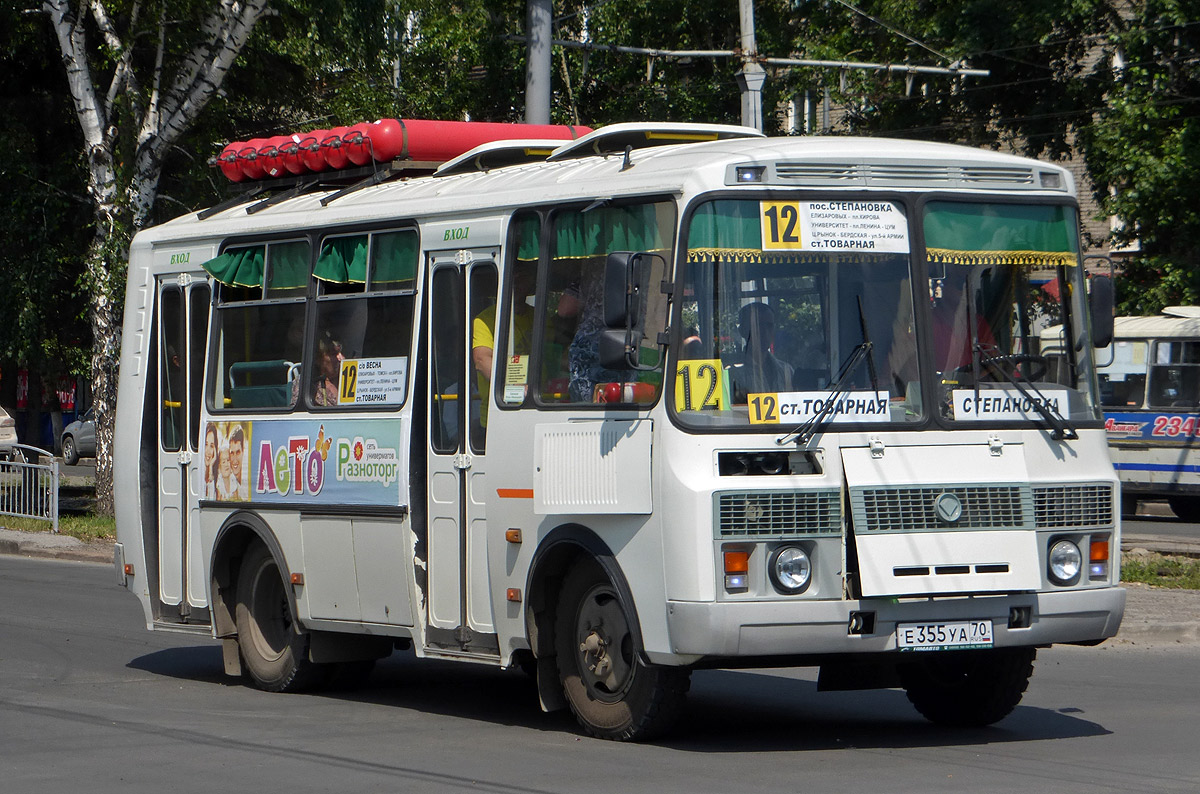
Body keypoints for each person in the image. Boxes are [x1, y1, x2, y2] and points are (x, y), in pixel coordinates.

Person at [727, 302, 794, 402]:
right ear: (743, 331)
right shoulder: (731, 372)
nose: (765, 332)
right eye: (758, 326)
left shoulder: (786, 371)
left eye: (769, 326)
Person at [930, 273, 996, 373]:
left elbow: (993, 360)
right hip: (934, 387)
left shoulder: (978, 323)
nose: (964, 290)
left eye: (967, 286)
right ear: (943, 287)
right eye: (959, 284)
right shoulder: (927, 321)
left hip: (974, 386)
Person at [228, 425, 249, 500]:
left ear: (243, 450)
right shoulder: (229, 480)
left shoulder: (248, 481)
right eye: (232, 453)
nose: (235, 460)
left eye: (238, 452)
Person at [202, 425, 218, 499]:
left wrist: (211, 467)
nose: (208, 451)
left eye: (211, 446)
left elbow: (211, 499)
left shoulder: (217, 475)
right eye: (205, 445)